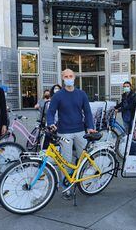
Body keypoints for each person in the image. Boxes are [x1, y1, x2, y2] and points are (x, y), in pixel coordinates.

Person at [47, 69, 96, 198]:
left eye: (71, 76)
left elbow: (88, 112)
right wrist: (50, 123)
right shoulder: (58, 95)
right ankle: (67, 187)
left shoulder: (81, 94)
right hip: (64, 133)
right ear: (62, 78)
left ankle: (85, 181)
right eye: (66, 76)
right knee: (66, 161)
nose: (68, 78)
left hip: (80, 131)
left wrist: (90, 127)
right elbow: (51, 112)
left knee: (84, 158)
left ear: (74, 78)